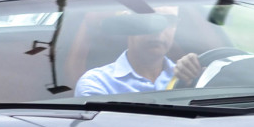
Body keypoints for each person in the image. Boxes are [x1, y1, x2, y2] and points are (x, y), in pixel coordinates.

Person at [74, 13, 204, 97]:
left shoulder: (195, 78)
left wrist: (195, 81)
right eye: (148, 20)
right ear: (128, 25)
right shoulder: (97, 83)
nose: (158, 31)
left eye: (169, 21)